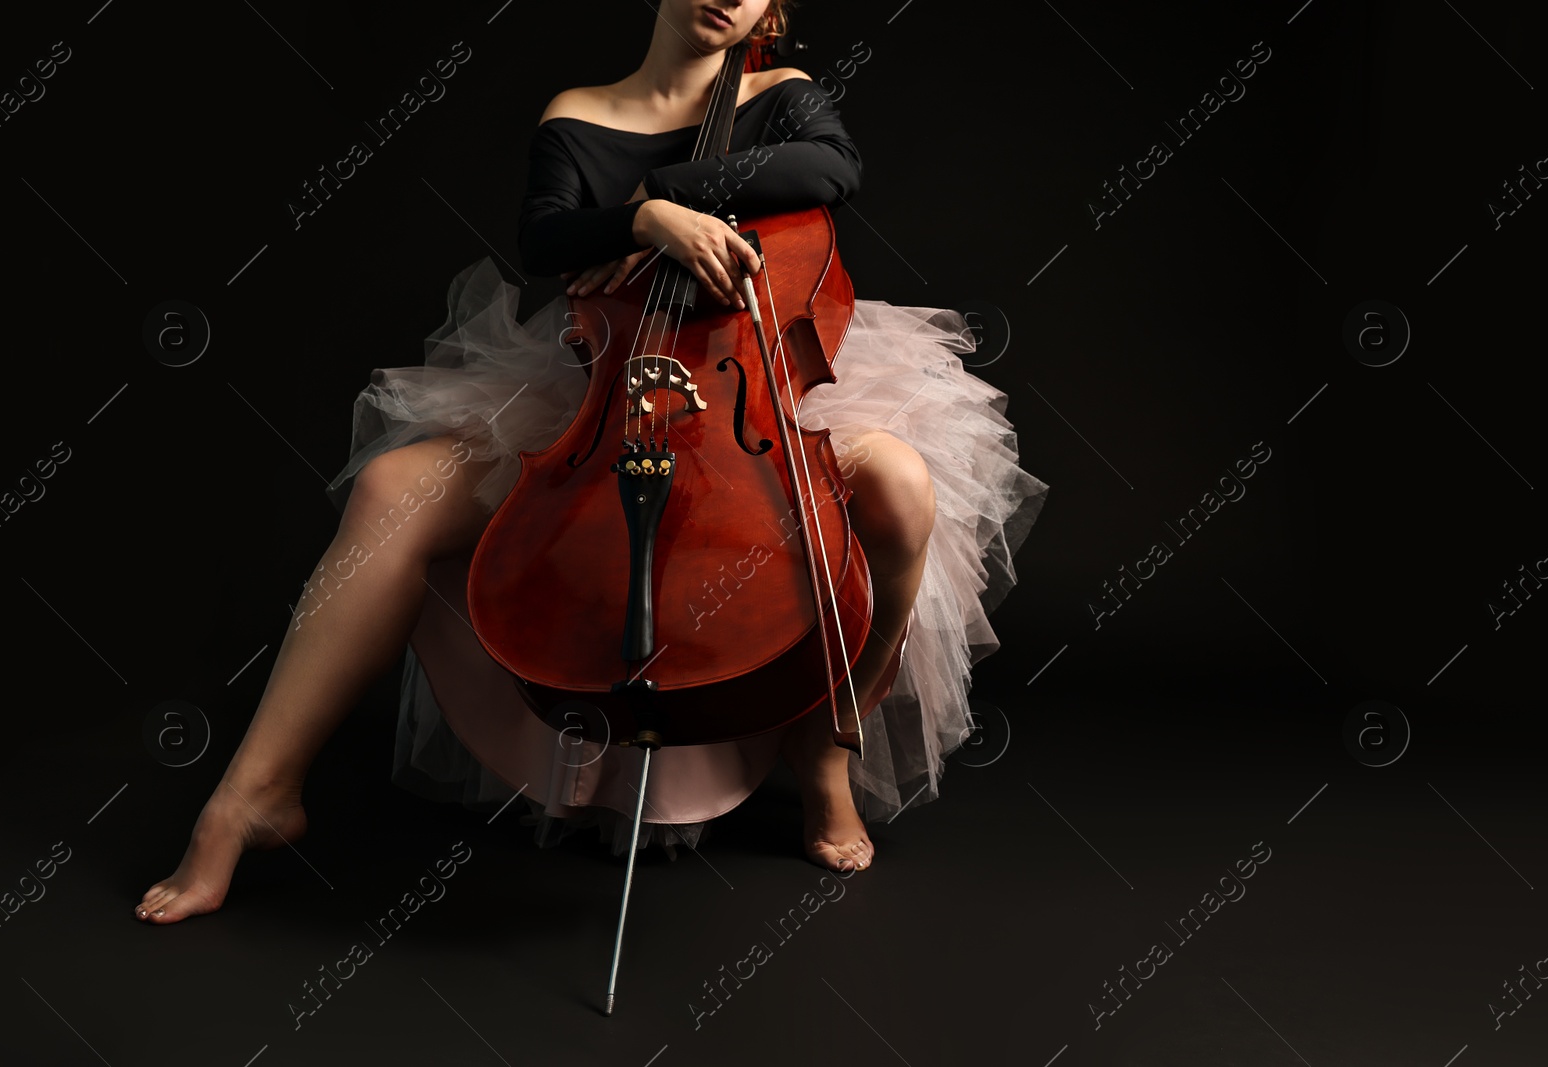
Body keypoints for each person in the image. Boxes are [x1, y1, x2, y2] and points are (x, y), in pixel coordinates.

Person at [134, 0, 1046, 925]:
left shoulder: (782, 96)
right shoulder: (580, 111)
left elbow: (832, 169)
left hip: (759, 391)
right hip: (605, 390)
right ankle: (253, 795)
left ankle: (823, 747)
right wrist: (642, 219)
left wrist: (658, 202)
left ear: (774, 9)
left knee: (901, 486)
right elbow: (543, 238)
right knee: (390, 487)